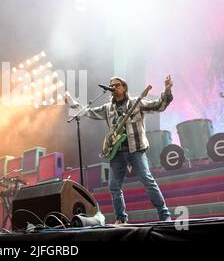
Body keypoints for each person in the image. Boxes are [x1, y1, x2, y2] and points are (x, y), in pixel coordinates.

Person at [66, 75, 174, 224]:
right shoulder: (108, 108)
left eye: (117, 85)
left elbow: (159, 105)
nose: (114, 88)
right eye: (112, 86)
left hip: (135, 149)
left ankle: (164, 214)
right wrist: (72, 103)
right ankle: (121, 219)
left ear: (124, 87)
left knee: (148, 181)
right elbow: (88, 112)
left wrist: (167, 89)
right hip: (116, 152)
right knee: (114, 186)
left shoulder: (136, 103)